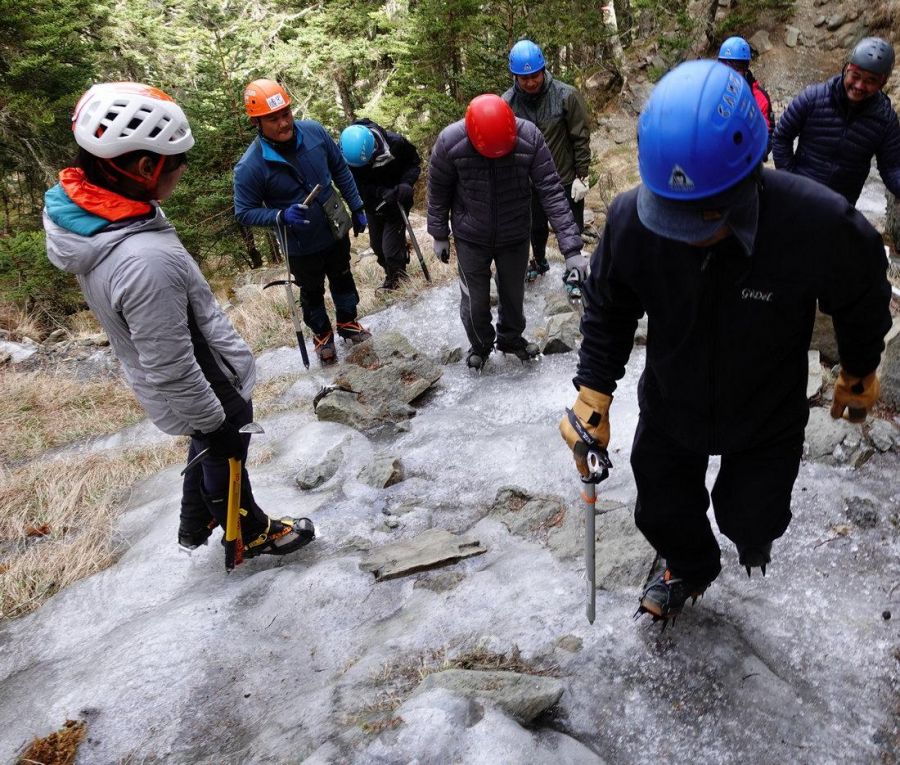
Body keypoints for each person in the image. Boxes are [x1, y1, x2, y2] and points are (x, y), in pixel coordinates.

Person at [559, 61, 891, 626]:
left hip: (766, 409)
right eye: (673, 212)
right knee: (661, 511)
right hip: (673, 399)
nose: (685, 231)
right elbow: (609, 306)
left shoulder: (816, 222)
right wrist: (594, 388)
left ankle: (749, 537)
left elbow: (862, 295)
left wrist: (859, 368)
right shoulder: (632, 221)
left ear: (749, 175)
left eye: (703, 215)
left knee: (753, 517)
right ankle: (689, 566)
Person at [43, 82, 315, 558]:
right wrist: (214, 421)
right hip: (204, 378)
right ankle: (249, 532)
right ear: (144, 168)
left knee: (210, 443)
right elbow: (171, 363)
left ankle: (195, 520)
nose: (183, 167)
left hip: (193, 373)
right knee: (225, 447)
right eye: (177, 160)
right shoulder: (144, 259)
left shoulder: (98, 217)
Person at [427, 94, 586, 370]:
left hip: (514, 233)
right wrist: (439, 233)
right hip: (470, 236)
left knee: (513, 295)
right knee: (475, 301)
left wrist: (571, 249)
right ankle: (480, 345)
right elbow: (438, 191)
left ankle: (511, 339)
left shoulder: (530, 137)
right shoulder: (449, 142)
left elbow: (551, 191)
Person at [233, 79, 370, 366]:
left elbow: (340, 169)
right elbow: (244, 211)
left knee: (343, 275)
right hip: (300, 243)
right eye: (273, 119)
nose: (283, 123)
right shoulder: (251, 165)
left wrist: (357, 206)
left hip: (334, 226)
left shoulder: (314, 133)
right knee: (311, 290)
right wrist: (280, 216)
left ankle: (348, 322)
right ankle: (322, 336)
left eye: (286, 114)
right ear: (257, 122)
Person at [502, 39, 591, 284]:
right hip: (528, 181)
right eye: (524, 78)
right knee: (535, 227)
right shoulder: (507, 104)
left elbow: (580, 136)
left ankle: (574, 268)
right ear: (515, 76)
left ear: (543, 70)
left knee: (571, 225)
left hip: (564, 176)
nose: (531, 82)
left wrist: (582, 175)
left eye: (535, 75)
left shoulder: (566, 95)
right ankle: (539, 261)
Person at [772, 36, 900, 205]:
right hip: (798, 196)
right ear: (846, 69)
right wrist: (789, 179)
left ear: (882, 84)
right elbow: (781, 136)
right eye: (855, 76)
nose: (859, 86)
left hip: (839, 208)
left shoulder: (885, 120)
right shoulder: (813, 98)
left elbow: (892, 168)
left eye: (871, 81)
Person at [339, 120, 422, 291]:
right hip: (374, 204)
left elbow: (414, 163)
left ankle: (398, 280)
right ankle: (392, 273)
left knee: (390, 250)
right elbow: (355, 184)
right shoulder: (349, 155)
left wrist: (406, 183)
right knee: (377, 247)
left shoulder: (396, 143)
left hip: (397, 202)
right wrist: (378, 194)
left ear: (374, 147)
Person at [717, 36, 774, 157]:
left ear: (745, 68)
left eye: (736, 67)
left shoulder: (759, 97)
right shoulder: (712, 91)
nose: (730, 73)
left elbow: (767, 136)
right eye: (725, 66)